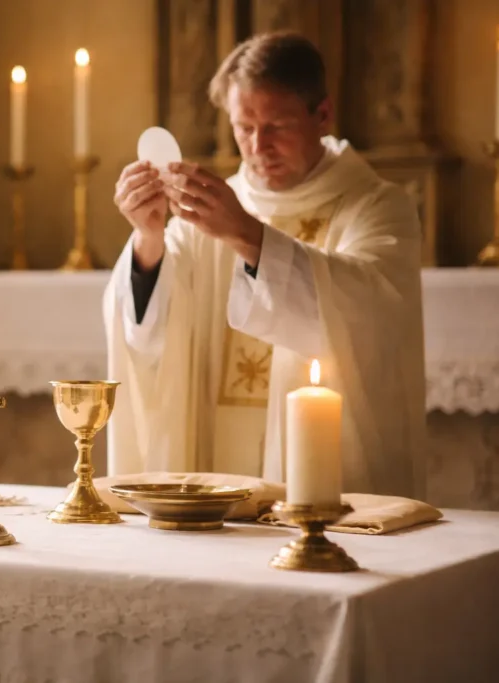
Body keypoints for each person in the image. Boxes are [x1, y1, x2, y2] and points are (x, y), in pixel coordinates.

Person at [103, 31, 426, 498]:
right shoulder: (206, 214)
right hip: (211, 462)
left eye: (277, 125)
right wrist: (149, 235)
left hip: (322, 480)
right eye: (244, 127)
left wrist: (247, 234)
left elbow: (369, 319)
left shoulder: (376, 207)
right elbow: (149, 331)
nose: (258, 146)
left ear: (322, 115)